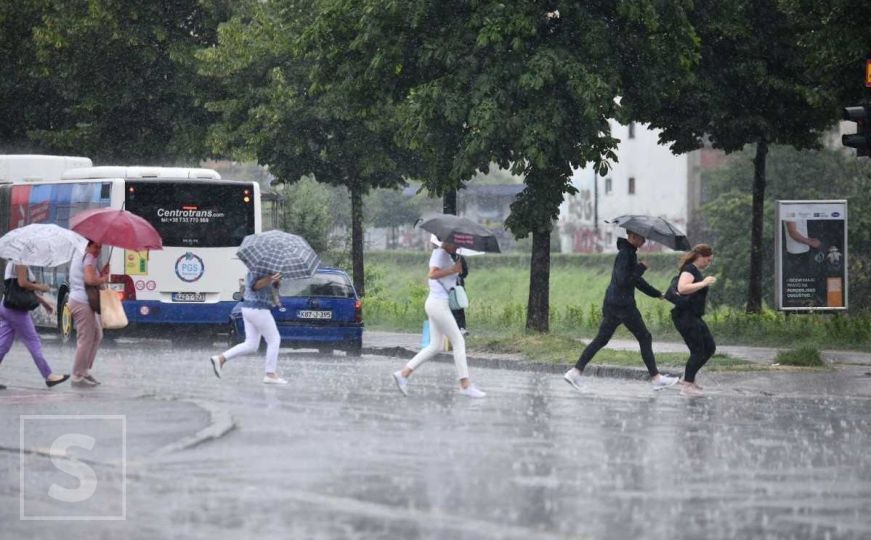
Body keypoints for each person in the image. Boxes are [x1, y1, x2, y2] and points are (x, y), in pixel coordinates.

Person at [564, 231, 679, 391]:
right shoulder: (626, 254)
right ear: (631, 236)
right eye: (641, 237)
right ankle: (656, 378)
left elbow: (636, 281)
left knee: (601, 340)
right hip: (623, 305)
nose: (644, 240)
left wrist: (658, 294)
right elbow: (623, 281)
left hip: (615, 303)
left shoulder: (629, 253)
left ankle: (575, 372)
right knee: (645, 337)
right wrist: (640, 268)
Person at [392, 240, 485, 398]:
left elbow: (456, 276)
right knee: (459, 342)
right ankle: (465, 385)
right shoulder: (440, 253)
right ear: (446, 242)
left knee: (436, 346)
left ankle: (403, 374)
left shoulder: (448, 255)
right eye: (454, 244)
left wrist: (457, 267)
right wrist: (452, 270)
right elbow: (432, 274)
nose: (456, 247)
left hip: (437, 303)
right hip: (438, 304)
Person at [0, 263, 69, 388]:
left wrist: (44, 303)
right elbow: (22, 284)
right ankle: (49, 376)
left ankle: (48, 375)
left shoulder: (15, 261)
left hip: (7, 306)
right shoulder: (19, 261)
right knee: (33, 342)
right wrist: (41, 287)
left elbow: (22, 289)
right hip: (17, 310)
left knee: (3, 344)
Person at [210, 271, 286, 384]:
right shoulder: (259, 268)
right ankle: (270, 374)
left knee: (251, 345)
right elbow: (254, 286)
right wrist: (270, 278)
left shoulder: (265, 268)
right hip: (258, 309)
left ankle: (220, 359)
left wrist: (276, 282)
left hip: (249, 308)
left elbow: (271, 289)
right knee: (274, 339)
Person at [671, 244, 717, 396]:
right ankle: (687, 385)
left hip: (693, 315)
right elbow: (683, 288)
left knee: (709, 347)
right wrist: (704, 283)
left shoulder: (695, 270)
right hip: (685, 315)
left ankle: (688, 379)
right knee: (698, 350)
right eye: (708, 260)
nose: (708, 264)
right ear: (700, 256)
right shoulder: (690, 269)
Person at [68, 241, 109, 387]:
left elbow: (90, 277)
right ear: (87, 245)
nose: (98, 250)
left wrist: (101, 274)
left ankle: (84, 371)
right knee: (85, 339)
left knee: (97, 335)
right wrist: (104, 278)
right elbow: (90, 280)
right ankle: (77, 375)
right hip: (82, 302)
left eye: (100, 246)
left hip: (80, 301)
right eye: (96, 246)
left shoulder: (82, 254)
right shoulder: (89, 257)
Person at [450, 253, 469, 336]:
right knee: (452, 308)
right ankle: (455, 328)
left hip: (458, 287)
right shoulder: (445, 257)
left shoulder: (460, 258)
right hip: (449, 287)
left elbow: (465, 273)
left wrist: (460, 272)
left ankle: (461, 327)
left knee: (459, 307)